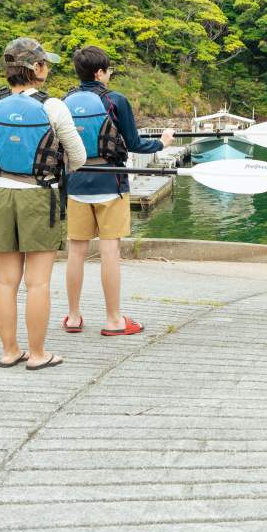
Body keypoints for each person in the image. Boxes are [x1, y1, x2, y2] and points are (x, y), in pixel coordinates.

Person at [0, 38, 86, 371]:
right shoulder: (53, 106)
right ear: (36, 68)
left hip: (2, 194)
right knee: (38, 282)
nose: (47, 68)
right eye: (45, 63)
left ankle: (9, 351)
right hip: (40, 195)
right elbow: (76, 157)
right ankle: (37, 354)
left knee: (6, 280)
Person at [62, 46, 174, 337]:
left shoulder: (65, 101)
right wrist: (162, 143)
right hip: (110, 183)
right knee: (109, 249)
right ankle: (113, 320)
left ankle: (73, 317)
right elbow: (135, 143)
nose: (109, 75)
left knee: (76, 250)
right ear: (99, 73)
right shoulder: (116, 100)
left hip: (75, 183)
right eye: (108, 70)